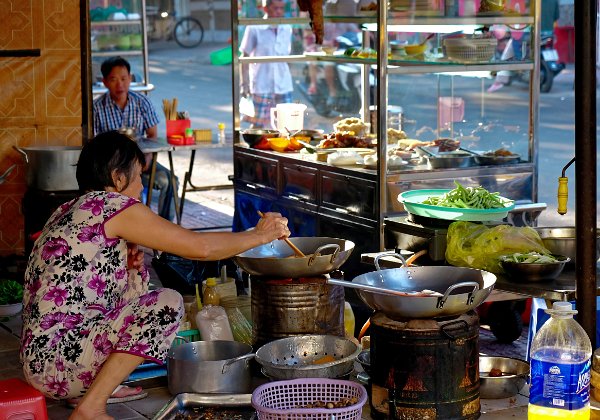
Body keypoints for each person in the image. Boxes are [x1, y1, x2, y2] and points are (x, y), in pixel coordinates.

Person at [19, 131, 290, 420]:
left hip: (44, 361)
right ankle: (91, 407)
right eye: (137, 177)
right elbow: (201, 247)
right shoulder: (111, 206)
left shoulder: (66, 210)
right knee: (166, 303)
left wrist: (129, 270)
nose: (140, 187)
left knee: (139, 286)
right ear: (118, 178)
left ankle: (88, 393)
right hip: (60, 361)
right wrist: (259, 235)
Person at [93, 56, 178, 221]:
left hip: (142, 162)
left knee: (170, 181)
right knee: (123, 191)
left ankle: (166, 229)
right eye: (113, 79)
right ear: (104, 82)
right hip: (113, 168)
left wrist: (147, 158)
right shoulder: (97, 108)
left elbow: (153, 135)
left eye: (124, 78)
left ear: (130, 78)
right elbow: (96, 145)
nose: (120, 84)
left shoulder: (142, 102)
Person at [239, 0, 294, 128]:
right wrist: (244, 84)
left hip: (283, 84)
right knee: (257, 125)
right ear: (266, 9)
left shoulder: (287, 28)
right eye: (276, 8)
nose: (279, 12)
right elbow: (245, 57)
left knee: (286, 126)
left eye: (281, 8)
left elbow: (287, 57)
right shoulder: (254, 28)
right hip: (261, 84)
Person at [303, 22, 360, 107]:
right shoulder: (324, 22)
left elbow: (356, 31)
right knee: (328, 62)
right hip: (325, 49)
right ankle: (331, 91)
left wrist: (366, 34)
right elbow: (315, 36)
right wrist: (326, 42)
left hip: (342, 50)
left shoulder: (345, 21)